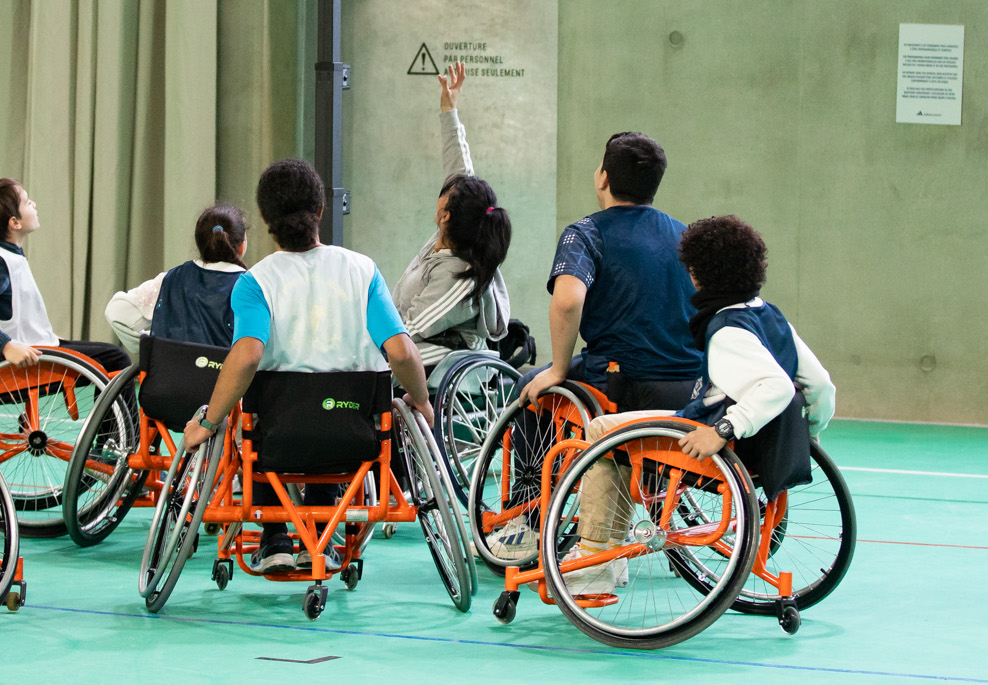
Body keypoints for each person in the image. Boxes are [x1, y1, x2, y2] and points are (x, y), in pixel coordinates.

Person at [560, 214, 836, 596]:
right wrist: (810, 433)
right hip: (749, 444)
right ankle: (611, 553)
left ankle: (596, 555)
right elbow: (820, 386)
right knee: (618, 433)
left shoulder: (726, 329)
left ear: (696, 275)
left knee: (601, 431)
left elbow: (776, 387)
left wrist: (724, 429)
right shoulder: (770, 315)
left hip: (710, 436)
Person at [181, 159, 434, 573]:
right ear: (320, 211)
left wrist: (208, 421)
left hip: (279, 434)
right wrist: (420, 400)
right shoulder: (362, 270)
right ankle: (318, 538)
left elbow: (246, 356)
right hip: (353, 435)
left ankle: (275, 537)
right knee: (330, 417)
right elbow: (402, 353)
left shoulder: (255, 282)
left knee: (255, 419)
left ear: (264, 219)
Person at [488, 130, 701, 562]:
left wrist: (558, 369)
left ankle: (527, 523)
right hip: (691, 384)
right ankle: (657, 497)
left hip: (624, 383)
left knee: (533, 385)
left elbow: (567, 301)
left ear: (602, 177)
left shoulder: (585, 233)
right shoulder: (687, 237)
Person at [390, 62, 511, 371]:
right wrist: (449, 110)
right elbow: (460, 169)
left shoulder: (458, 274)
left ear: (444, 215)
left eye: (447, 192)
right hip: (410, 345)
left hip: (436, 363)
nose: (446, 186)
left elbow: (412, 330)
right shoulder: (456, 228)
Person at [0, 178, 130, 376]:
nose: (33, 204)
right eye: (27, 202)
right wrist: (6, 346)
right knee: (116, 358)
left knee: (99, 352)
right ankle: (113, 409)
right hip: (19, 363)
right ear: (14, 222)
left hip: (19, 350)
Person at [102, 204, 249, 361]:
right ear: (241, 246)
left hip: (167, 381)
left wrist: (153, 345)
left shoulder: (169, 280)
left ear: (200, 243)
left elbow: (116, 313)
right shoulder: (251, 287)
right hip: (226, 382)